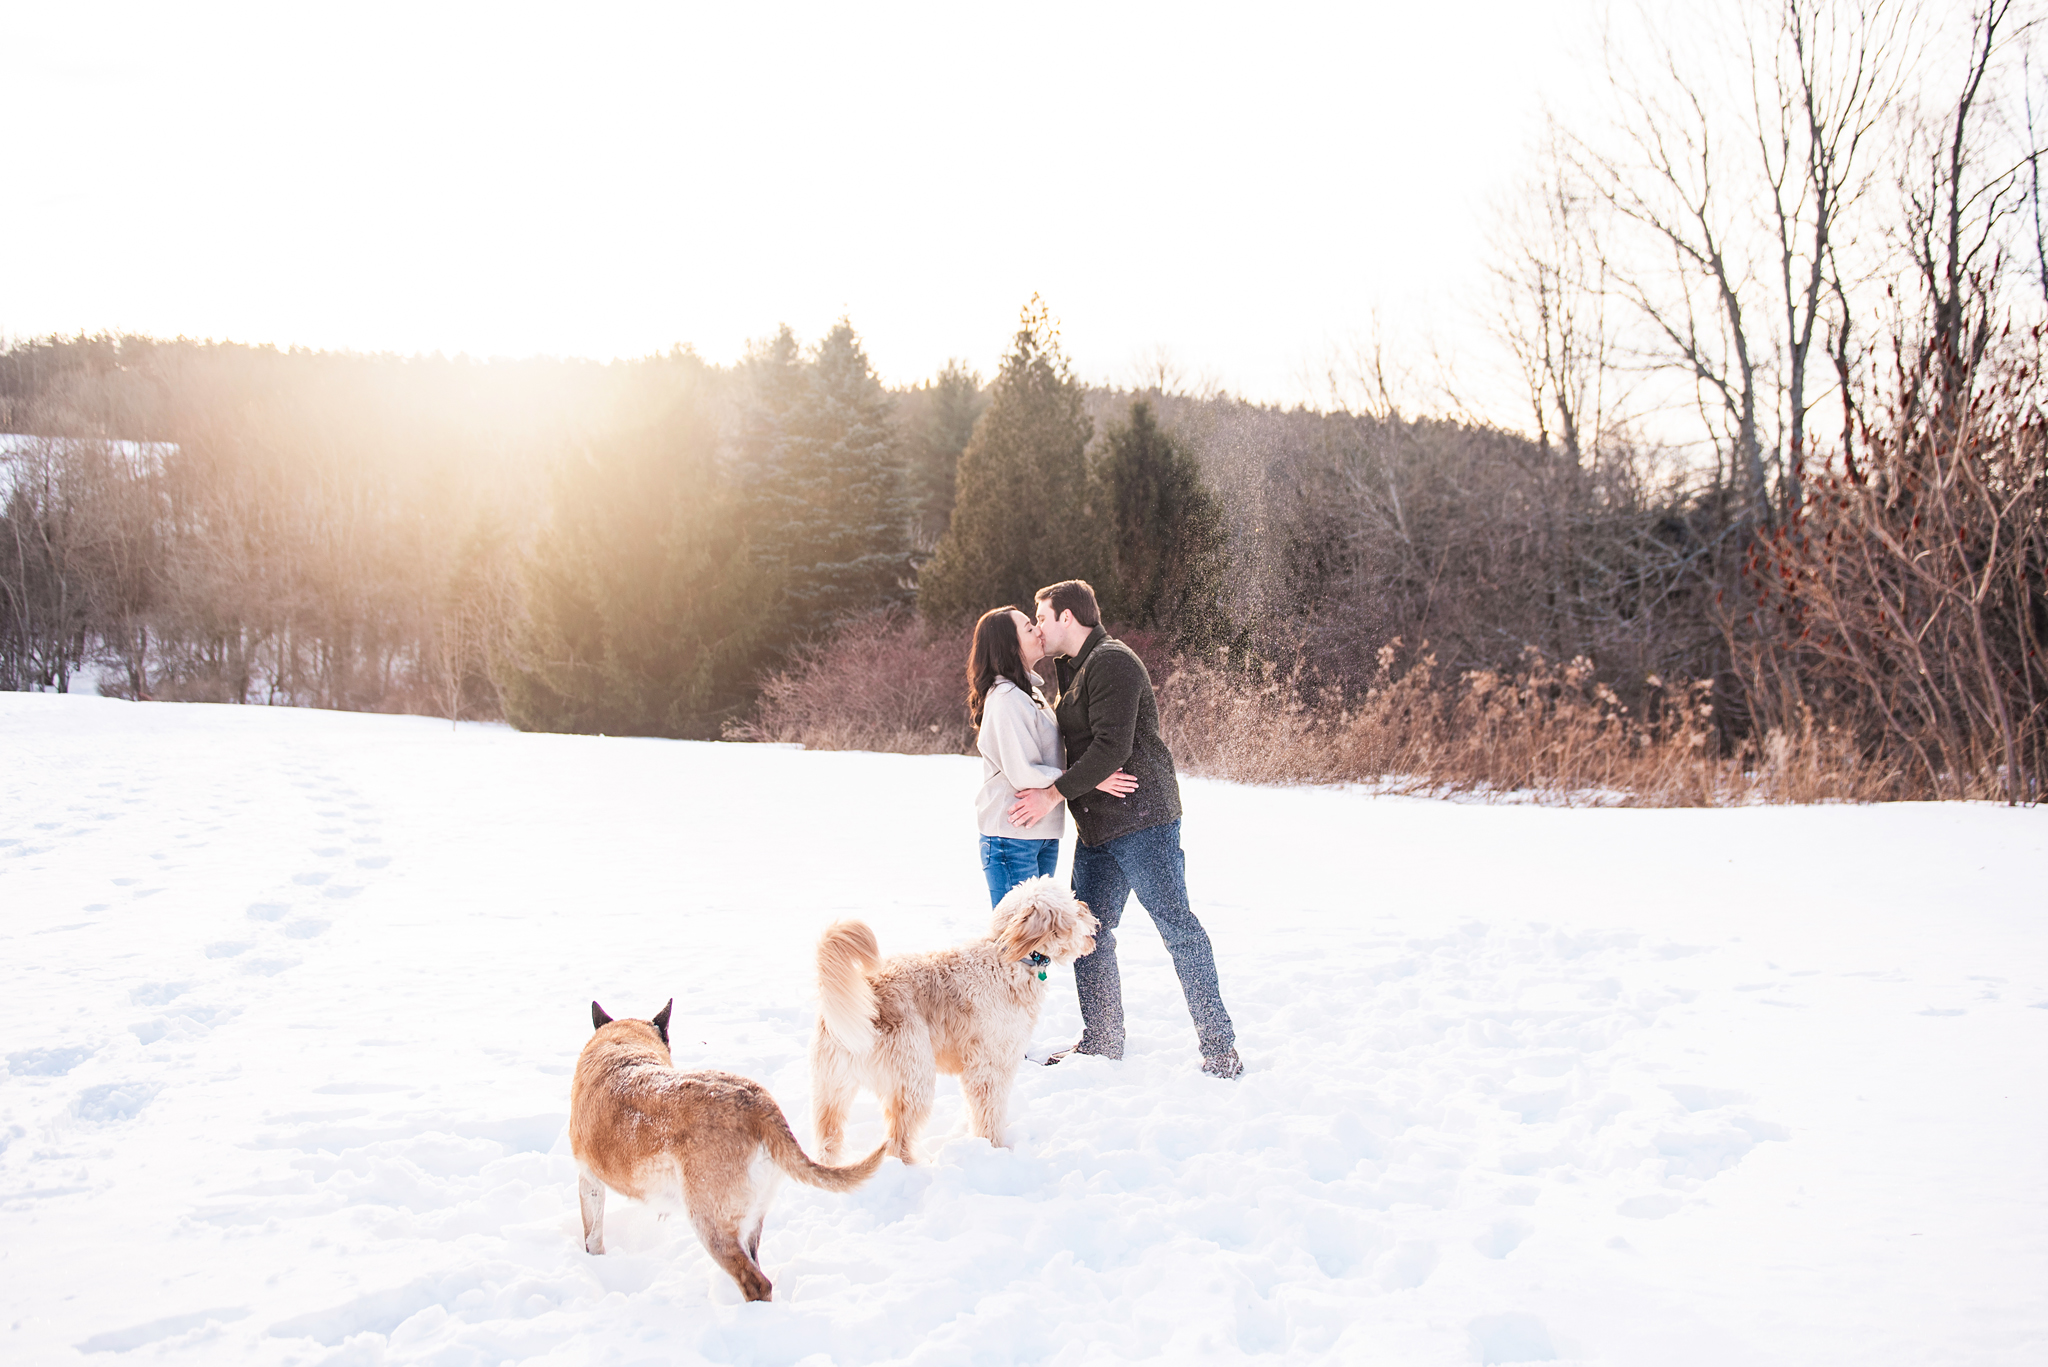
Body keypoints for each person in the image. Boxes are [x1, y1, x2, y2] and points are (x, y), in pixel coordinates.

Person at [1006, 579, 1242, 1079]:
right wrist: (1082, 780)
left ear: (1067, 617)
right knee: (1091, 932)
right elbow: (1086, 748)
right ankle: (1103, 1038)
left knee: (1177, 927)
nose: (1039, 627)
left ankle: (1220, 1047)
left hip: (1142, 821)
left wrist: (1052, 793)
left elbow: (1112, 746)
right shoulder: (1072, 669)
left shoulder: (1112, 660)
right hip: (1096, 828)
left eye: (1041, 616)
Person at [966, 605, 1137, 907]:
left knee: (1040, 935)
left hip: (1042, 831)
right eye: (1029, 628)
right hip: (1010, 835)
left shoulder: (1030, 693)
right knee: (1019, 941)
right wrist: (1092, 779)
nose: (1038, 631)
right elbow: (1023, 771)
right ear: (1009, 644)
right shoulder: (1005, 698)